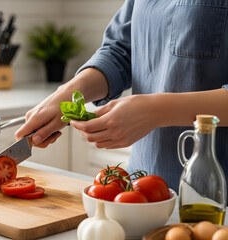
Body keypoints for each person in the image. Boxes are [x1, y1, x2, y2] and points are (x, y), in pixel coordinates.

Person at [15, 0, 228, 192]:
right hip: (140, 186)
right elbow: (121, 50)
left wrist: (155, 111)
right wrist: (68, 93)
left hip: (214, 195)